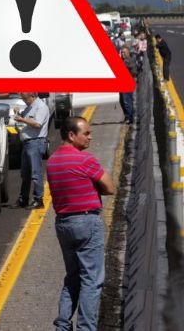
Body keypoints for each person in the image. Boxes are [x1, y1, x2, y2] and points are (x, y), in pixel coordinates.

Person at [46, 117, 115, 331]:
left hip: (64, 223)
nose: (90, 137)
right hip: (87, 221)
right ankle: (86, 328)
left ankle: (63, 325)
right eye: (86, 133)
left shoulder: (53, 161)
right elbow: (110, 187)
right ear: (71, 135)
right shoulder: (84, 159)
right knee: (92, 280)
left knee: (73, 278)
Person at [12, 92, 50, 209]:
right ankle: (23, 198)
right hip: (28, 142)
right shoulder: (30, 107)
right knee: (25, 173)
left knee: (35, 172)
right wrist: (17, 114)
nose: (24, 101)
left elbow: (37, 124)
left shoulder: (41, 107)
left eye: (25, 99)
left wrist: (22, 119)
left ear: (32, 95)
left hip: (35, 142)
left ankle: (38, 199)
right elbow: (22, 119)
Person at [118, 47, 137, 124]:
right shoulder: (122, 60)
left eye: (124, 52)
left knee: (127, 101)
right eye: (122, 52)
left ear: (128, 53)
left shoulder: (129, 60)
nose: (123, 54)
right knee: (122, 101)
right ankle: (127, 116)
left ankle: (130, 118)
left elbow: (134, 72)